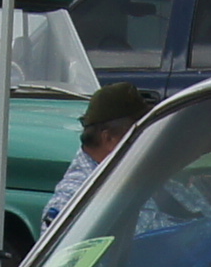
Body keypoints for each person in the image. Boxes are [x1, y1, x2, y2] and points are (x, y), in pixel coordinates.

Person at [41, 83, 156, 223]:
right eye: (138, 133)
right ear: (108, 138)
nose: (147, 138)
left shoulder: (133, 172)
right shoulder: (75, 200)